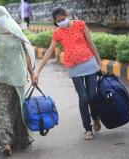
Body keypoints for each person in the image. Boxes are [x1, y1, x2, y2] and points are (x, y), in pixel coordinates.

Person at [34, 7, 102, 140]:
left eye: (63, 19)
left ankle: (95, 117)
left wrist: (99, 62)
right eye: (58, 21)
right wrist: (38, 71)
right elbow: (49, 52)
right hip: (74, 68)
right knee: (83, 98)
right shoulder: (58, 33)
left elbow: (91, 43)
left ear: (67, 15)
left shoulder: (80, 24)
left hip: (89, 63)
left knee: (92, 96)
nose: (61, 22)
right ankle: (87, 129)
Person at [0, 6, 36, 156]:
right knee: (1, 110)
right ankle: (6, 143)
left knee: (16, 109)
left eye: (1, 15)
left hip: (17, 77)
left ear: (7, 16)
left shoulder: (16, 33)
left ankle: (19, 139)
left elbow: (26, 54)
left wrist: (32, 73)